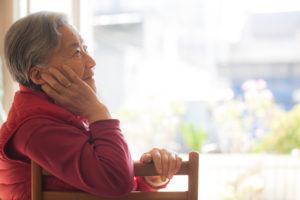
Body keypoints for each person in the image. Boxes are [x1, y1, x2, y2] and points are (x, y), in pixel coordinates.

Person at [0, 11, 182, 200]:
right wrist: (97, 111)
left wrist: (151, 178)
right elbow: (116, 181)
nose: (91, 62)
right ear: (38, 75)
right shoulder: (35, 127)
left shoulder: (62, 117)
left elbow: (106, 188)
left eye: (85, 49)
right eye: (77, 52)